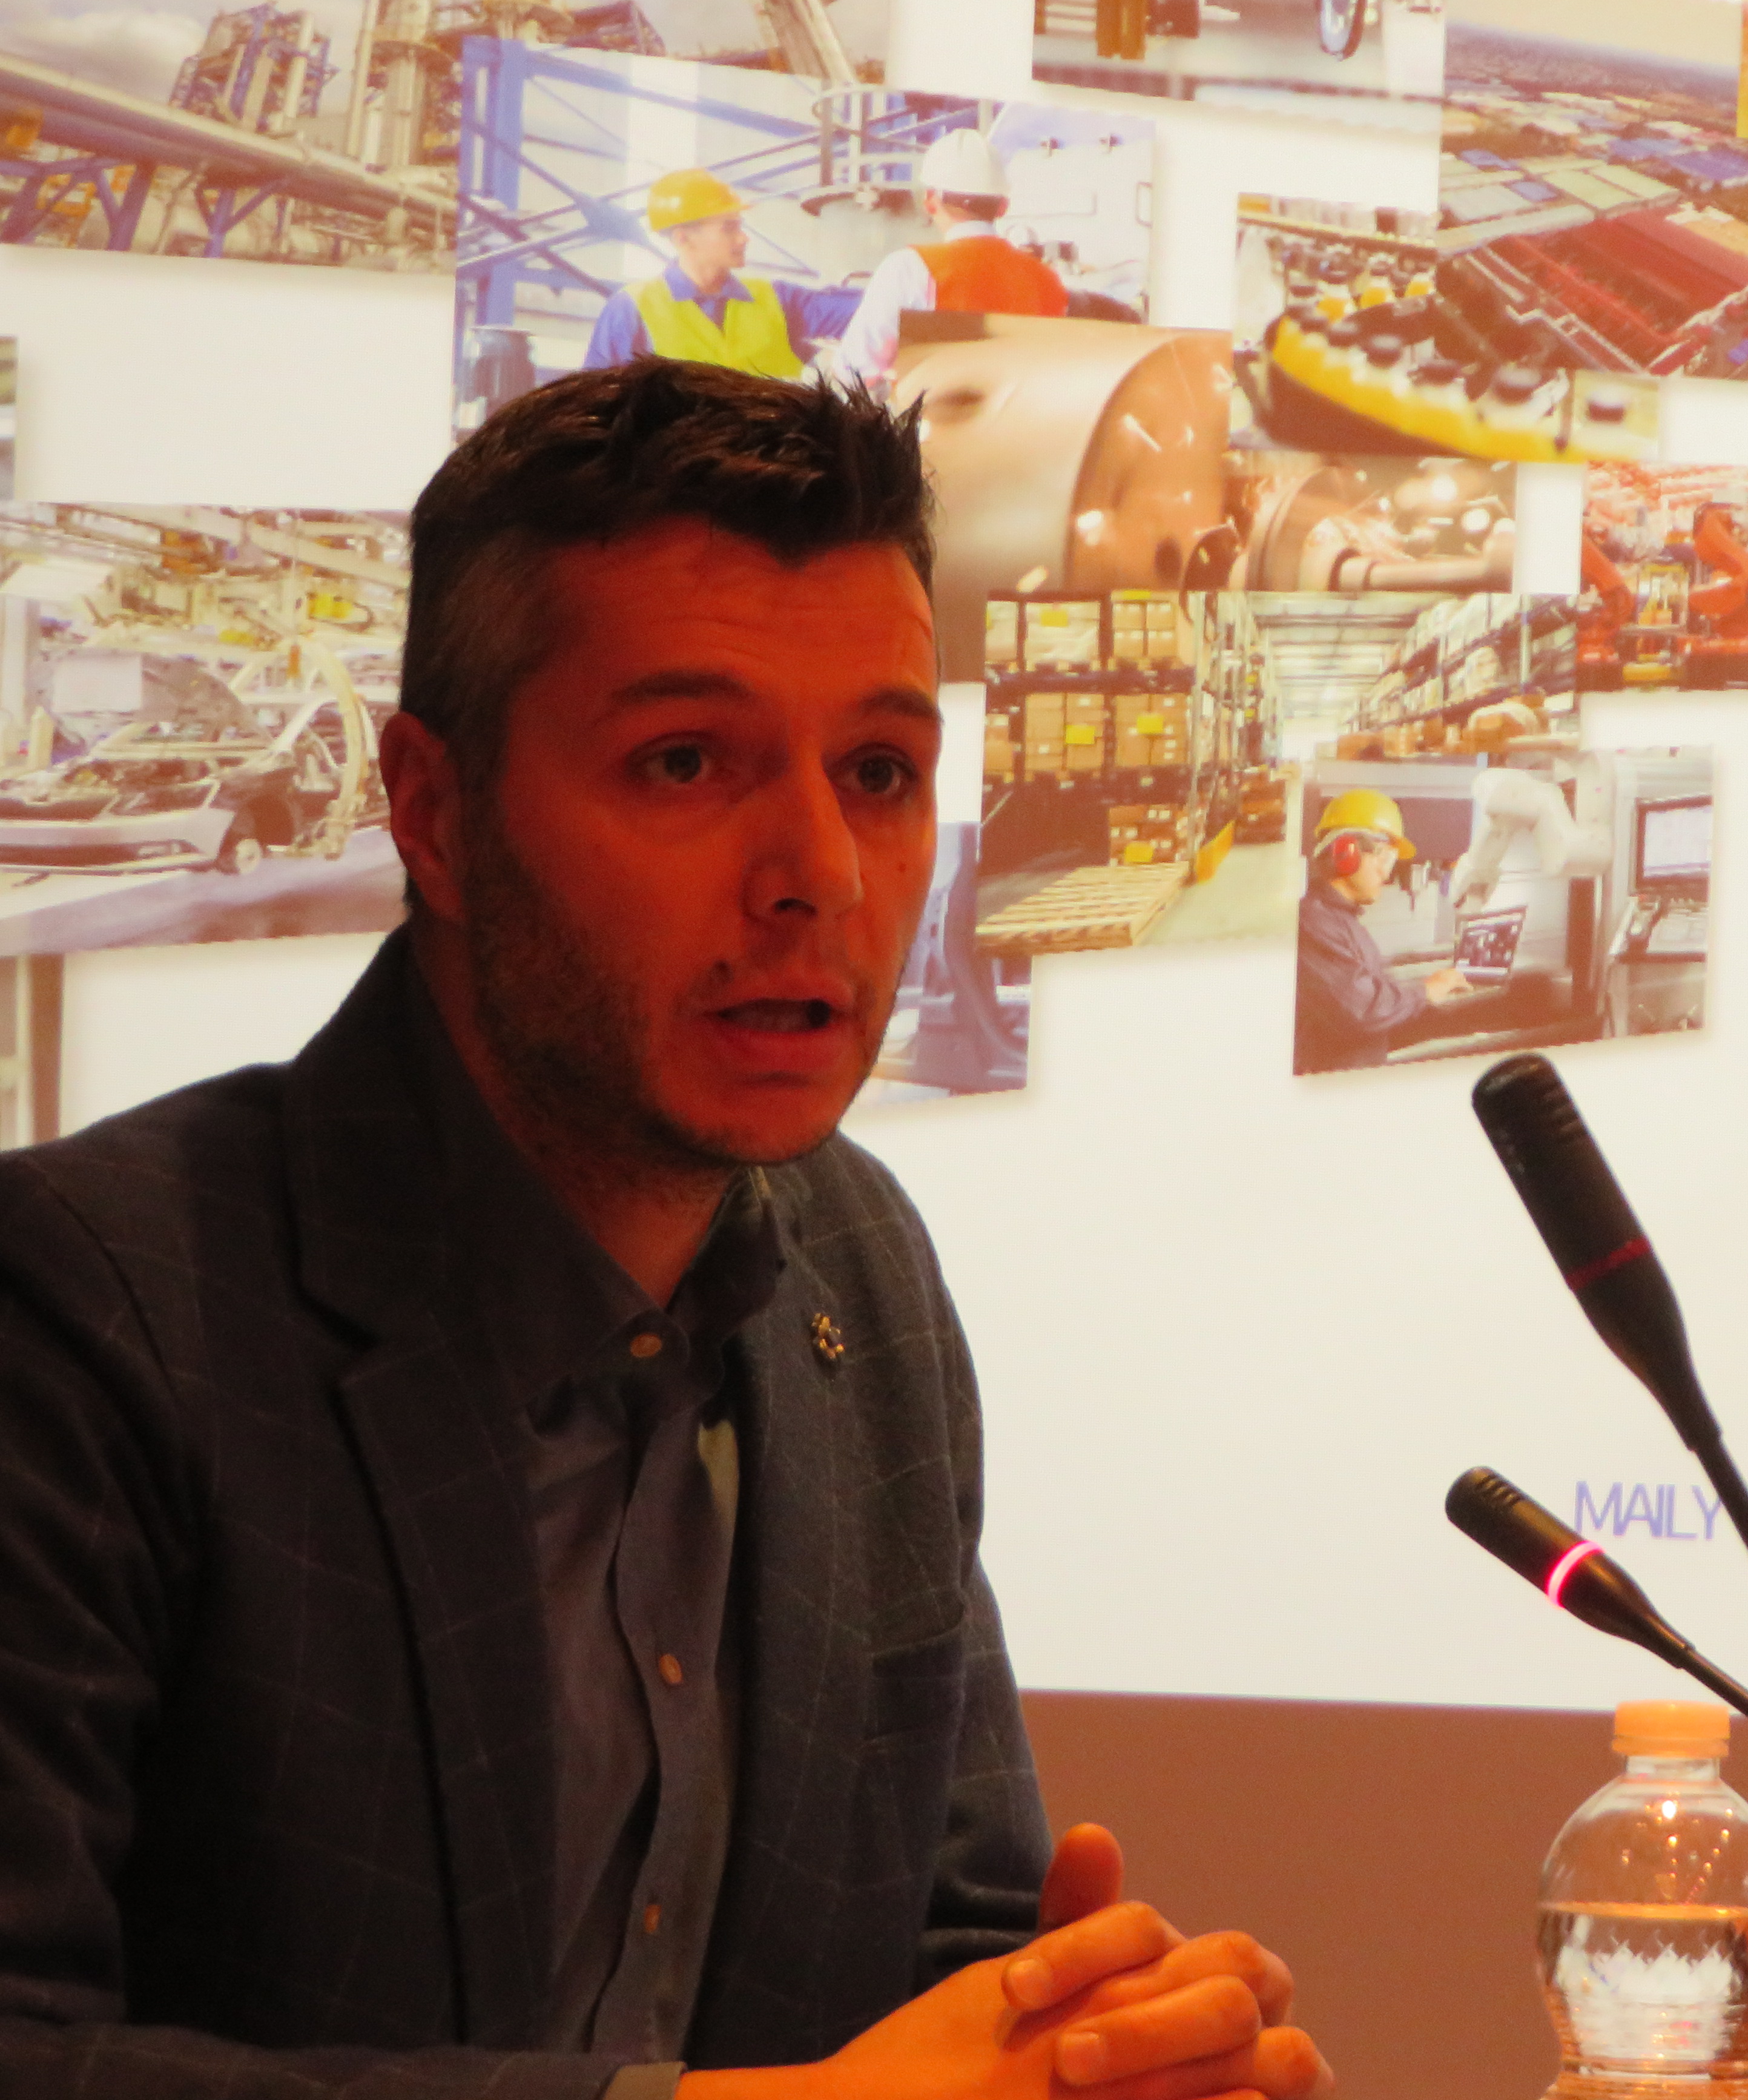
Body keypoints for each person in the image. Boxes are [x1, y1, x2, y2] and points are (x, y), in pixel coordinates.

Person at [0, 362, 1329, 2100]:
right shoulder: (88, 1311)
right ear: (434, 813)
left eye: (878, 770)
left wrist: (1080, 2043)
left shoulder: (858, 1272)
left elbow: (942, 1948)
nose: (819, 874)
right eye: (687, 762)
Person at [829, 129, 1069, 400]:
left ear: (930, 202)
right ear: (1003, 206)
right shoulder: (1047, 279)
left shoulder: (909, 269)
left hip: (931, 422)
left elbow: (855, 372)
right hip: (1020, 423)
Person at [583, 170, 858, 377]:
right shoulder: (632, 308)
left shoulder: (777, 300)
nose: (744, 239)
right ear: (683, 238)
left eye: (740, 226)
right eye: (729, 228)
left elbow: (865, 310)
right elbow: (593, 405)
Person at [1294, 788, 1473, 1072]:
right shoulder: (1315, 923)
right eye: (1384, 857)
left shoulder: (1339, 919)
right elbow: (1364, 1009)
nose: (1387, 873)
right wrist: (1426, 991)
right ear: (1347, 853)